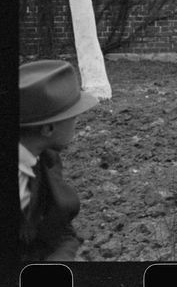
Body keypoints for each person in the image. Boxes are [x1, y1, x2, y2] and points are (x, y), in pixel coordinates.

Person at [19, 59, 100, 262]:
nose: (76, 124)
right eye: (72, 117)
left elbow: (61, 230)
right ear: (48, 129)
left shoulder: (45, 158)